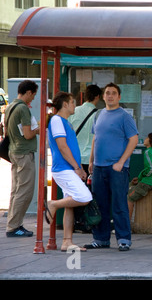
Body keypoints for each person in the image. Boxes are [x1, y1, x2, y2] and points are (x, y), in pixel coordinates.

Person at [85, 83, 139, 252]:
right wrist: (91, 161)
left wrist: (121, 162)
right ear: (103, 96)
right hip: (99, 168)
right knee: (100, 204)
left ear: (119, 97)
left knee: (119, 204)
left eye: (113, 93)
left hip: (117, 168)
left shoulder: (124, 116)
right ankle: (101, 239)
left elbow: (134, 139)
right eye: (107, 93)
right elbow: (95, 138)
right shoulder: (99, 114)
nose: (110, 96)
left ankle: (124, 239)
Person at [45, 92, 92, 251]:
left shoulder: (64, 121)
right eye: (72, 102)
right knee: (84, 197)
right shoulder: (57, 120)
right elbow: (62, 146)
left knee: (70, 205)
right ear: (65, 104)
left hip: (68, 168)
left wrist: (77, 167)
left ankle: (67, 241)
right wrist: (77, 168)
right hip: (64, 168)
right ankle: (53, 204)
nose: (75, 106)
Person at [5, 80, 39, 238]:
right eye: (33, 95)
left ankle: (13, 223)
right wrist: (39, 128)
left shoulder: (10, 106)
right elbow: (28, 134)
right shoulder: (23, 109)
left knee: (16, 190)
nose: (33, 98)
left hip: (14, 151)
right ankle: (14, 226)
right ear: (29, 92)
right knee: (25, 191)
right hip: (25, 153)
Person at [68, 84, 102, 174]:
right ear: (97, 97)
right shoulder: (99, 114)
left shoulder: (74, 111)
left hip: (75, 157)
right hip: (91, 159)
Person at [127, 132, 152, 221]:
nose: (145, 139)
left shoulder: (148, 152)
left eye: (147, 138)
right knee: (130, 186)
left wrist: (143, 177)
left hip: (148, 182)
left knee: (129, 197)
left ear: (151, 141)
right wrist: (140, 178)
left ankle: (127, 224)